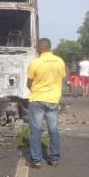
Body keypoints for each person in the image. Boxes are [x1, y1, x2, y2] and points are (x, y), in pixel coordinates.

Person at [26, 38, 66, 168]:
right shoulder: (60, 61)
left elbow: (29, 83)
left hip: (37, 99)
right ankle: (54, 159)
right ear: (49, 47)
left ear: (39, 47)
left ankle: (36, 161)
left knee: (36, 130)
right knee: (53, 129)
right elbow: (62, 77)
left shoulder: (35, 63)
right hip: (53, 100)